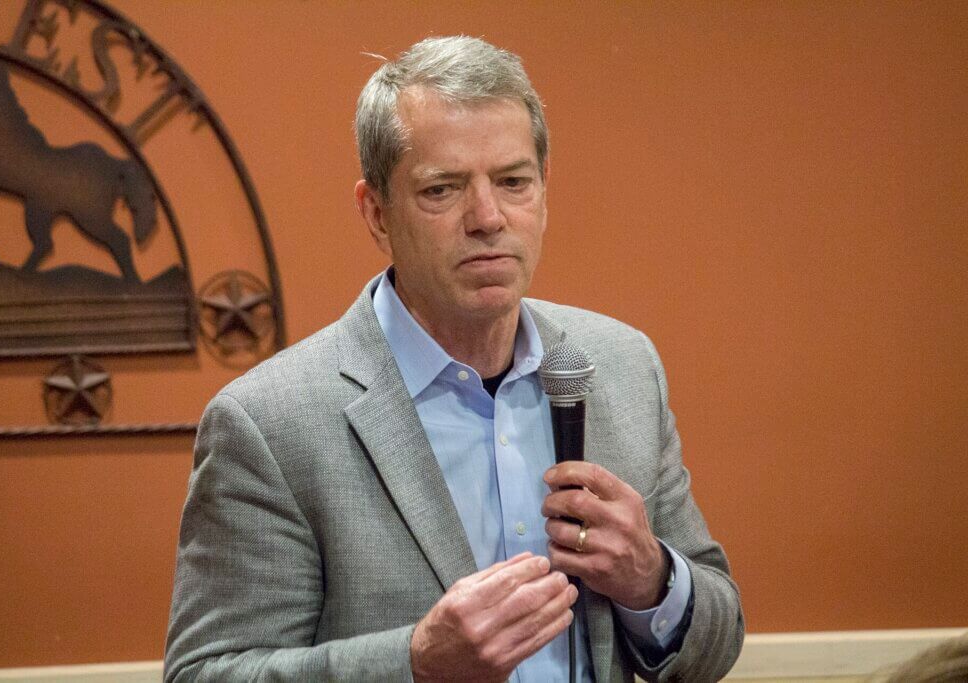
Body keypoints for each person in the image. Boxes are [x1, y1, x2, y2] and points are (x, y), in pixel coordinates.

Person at [165, 36, 743, 682]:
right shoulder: (267, 423)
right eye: (442, 189)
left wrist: (653, 579)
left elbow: (719, 639)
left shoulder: (623, 368)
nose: (488, 217)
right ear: (376, 213)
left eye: (513, 181)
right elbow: (204, 674)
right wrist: (415, 663)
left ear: (545, 191)